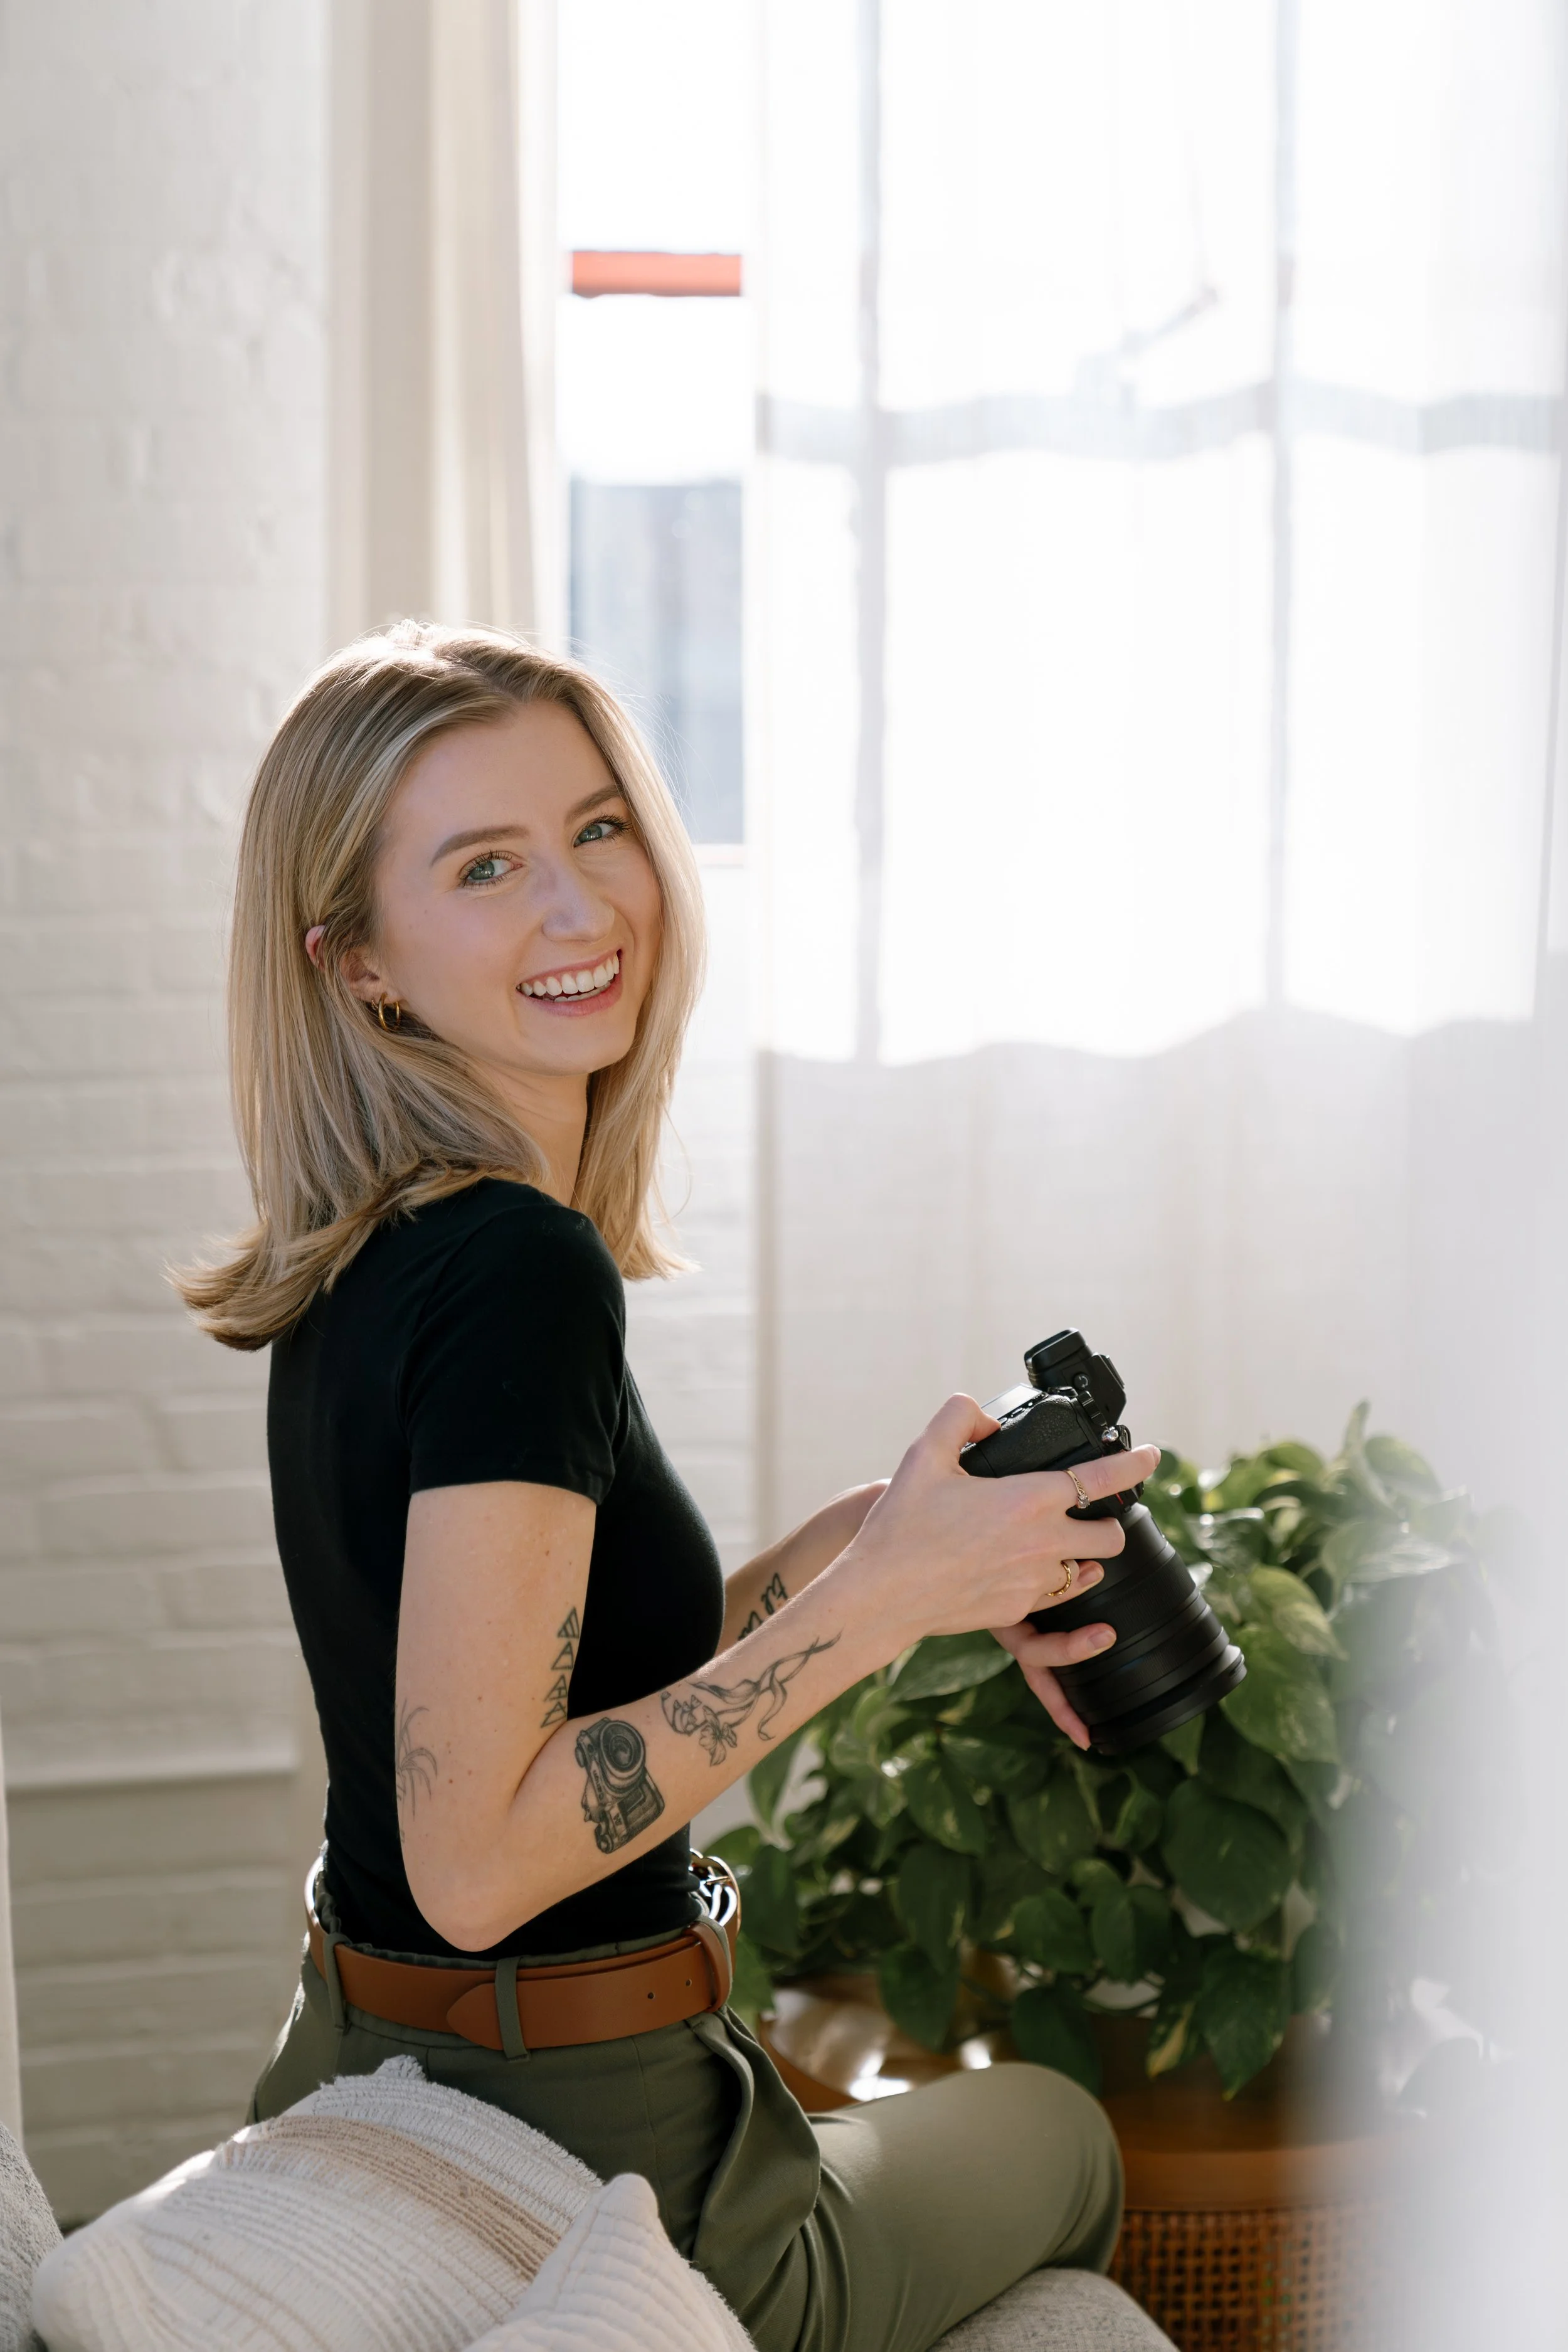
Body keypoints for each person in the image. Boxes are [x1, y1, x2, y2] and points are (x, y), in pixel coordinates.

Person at [178, 622, 1146, 2352]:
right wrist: (881, 1609)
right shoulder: (519, 1271)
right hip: (580, 2132)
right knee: (1063, 2129)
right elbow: (477, 1862)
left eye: (597, 827)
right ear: (359, 963)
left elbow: (510, 1700)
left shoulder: (382, 1247)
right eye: (486, 866)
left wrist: (847, 1548)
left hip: (364, 2055)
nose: (580, 905)